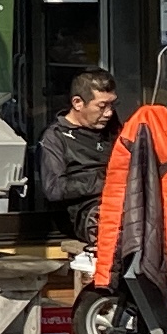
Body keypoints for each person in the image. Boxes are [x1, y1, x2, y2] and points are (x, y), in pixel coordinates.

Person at [34, 70, 117, 223]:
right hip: (81, 213)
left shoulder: (113, 128)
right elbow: (54, 189)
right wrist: (107, 181)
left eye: (112, 104)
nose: (109, 113)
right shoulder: (55, 137)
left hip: (118, 200)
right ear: (78, 103)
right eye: (102, 106)